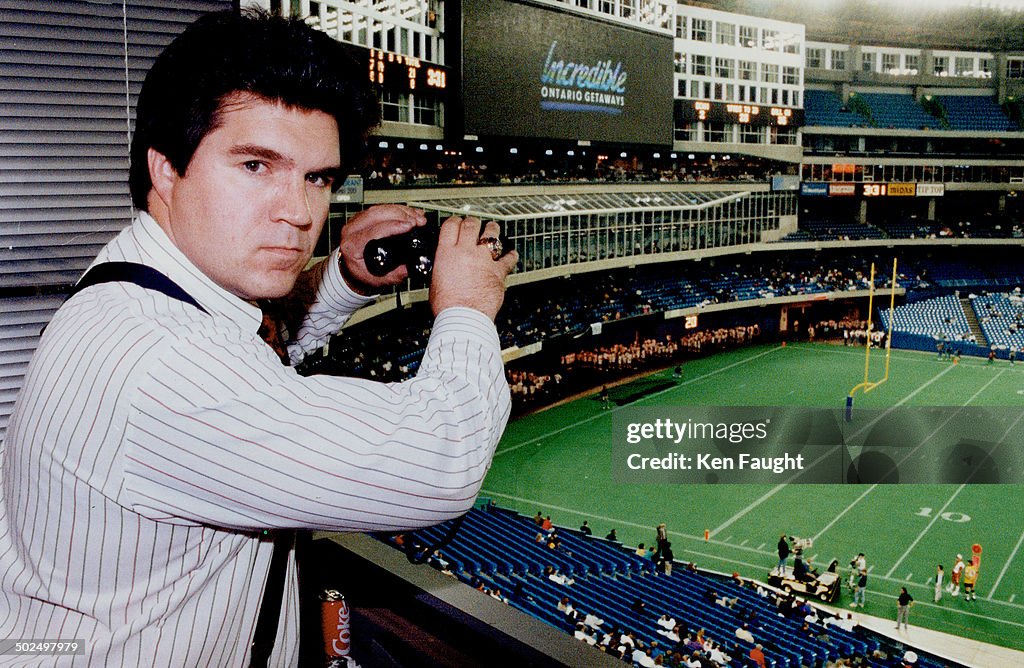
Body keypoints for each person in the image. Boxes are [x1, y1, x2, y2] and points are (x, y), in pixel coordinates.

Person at [0, 11, 518, 667]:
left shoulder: (133, 295)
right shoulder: (165, 363)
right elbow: (439, 462)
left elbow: (251, 365)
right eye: (255, 165)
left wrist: (342, 277)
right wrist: (468, 305)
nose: (300, 212)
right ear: (166, 169)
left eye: (317, 178)